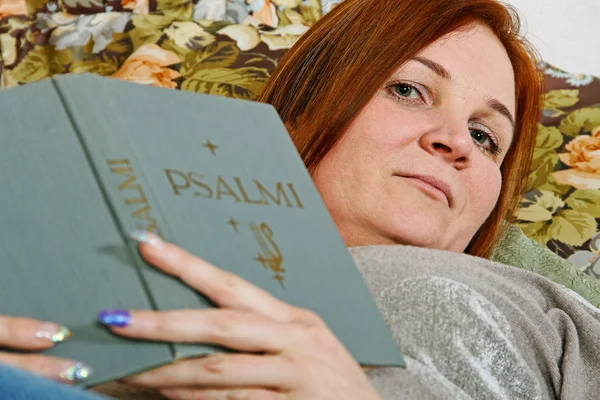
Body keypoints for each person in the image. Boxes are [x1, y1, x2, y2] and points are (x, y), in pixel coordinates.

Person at [2, 0, 600, 398]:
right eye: (409, 90)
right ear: (303, 112)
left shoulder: (549, 313)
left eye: (485, 136)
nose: (453, 142)